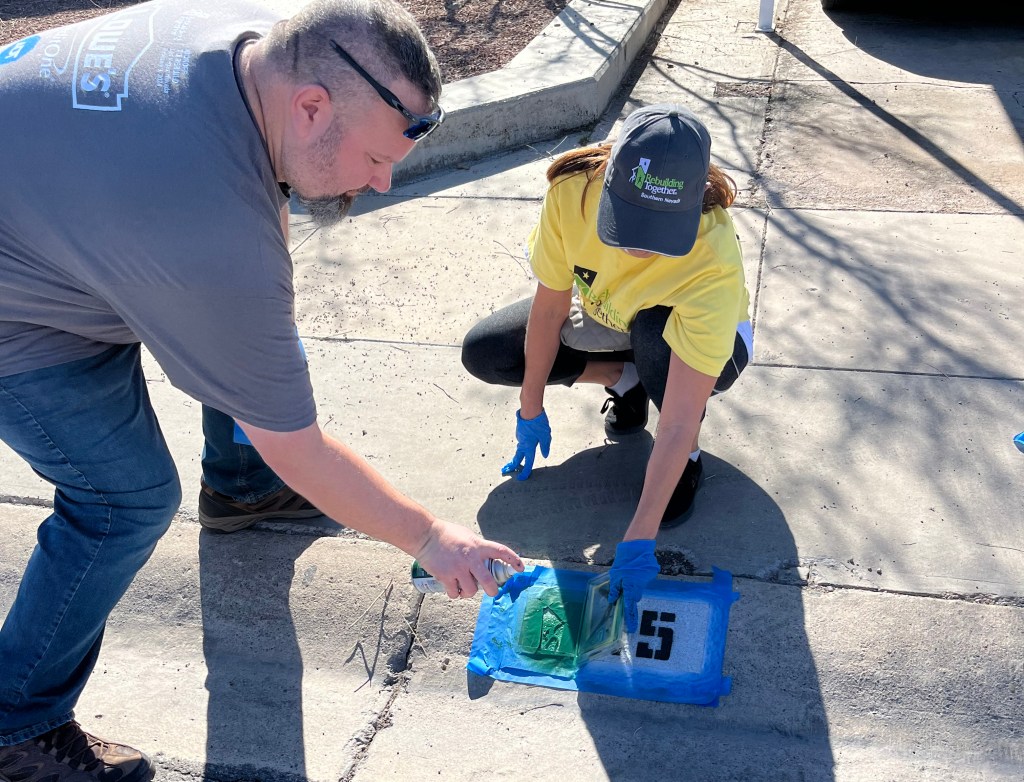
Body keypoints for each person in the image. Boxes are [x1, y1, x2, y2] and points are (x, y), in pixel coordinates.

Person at [0, 1, 522, 779]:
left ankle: (243, 486)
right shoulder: (204, 223)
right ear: (311, 108)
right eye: (377, 160)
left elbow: (249, 277)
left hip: (58, 210)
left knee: (256, 325)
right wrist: (428, 537)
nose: (382, 184)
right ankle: (17, 724)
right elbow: (299, 445)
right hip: (23, 310)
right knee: (125, 500)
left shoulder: (267, 40)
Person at [461, 103, 752, 633]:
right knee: (489, 349)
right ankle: (625, 380)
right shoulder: (570, 193)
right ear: (607, 175)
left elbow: (683, 415)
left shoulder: (711, 259)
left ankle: (683, 461)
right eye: (629, 222)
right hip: (609, 315)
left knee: (654, 337)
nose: (640, 246)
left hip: (699, 341)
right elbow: (550, 308)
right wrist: (530, 408)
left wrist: (638, 538)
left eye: (658, 230)